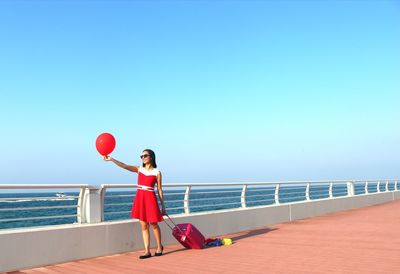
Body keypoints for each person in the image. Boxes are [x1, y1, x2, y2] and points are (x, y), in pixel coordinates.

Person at [103, 149, 166, 259]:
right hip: (140, 198)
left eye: (145, 155)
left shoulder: (157, 172)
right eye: (141, 156)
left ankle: (159, 246)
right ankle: (147, 251)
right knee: (143, 225)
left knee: (154, 224)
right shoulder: (139, 169)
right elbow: (125, 166)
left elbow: (160, 190)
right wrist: (112, 159)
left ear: (151, 157)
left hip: (150, 198)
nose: (143, 158)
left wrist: (163, 207)